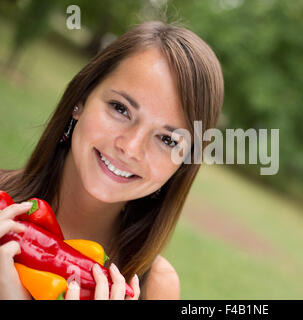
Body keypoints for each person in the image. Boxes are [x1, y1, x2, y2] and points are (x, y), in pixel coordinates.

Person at [0, 20, 224, 300]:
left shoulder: (156, 288)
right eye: (121, 108)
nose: (130, 148)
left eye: (168, 139)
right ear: (81, 99)